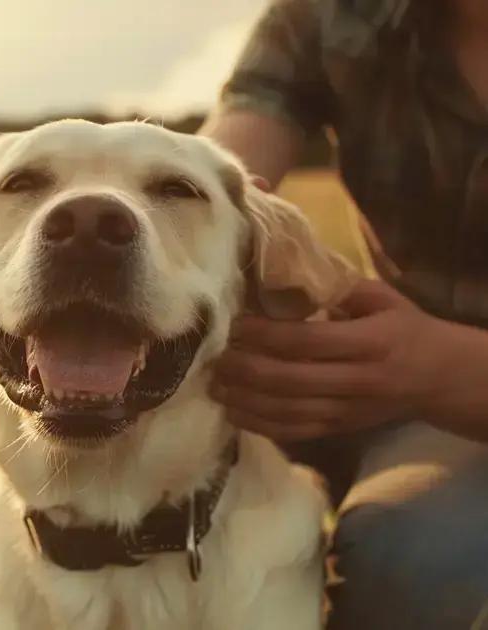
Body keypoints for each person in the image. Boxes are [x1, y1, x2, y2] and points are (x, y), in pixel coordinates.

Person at [201, 0, 488, 627]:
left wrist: (439, 369)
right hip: (386, 369)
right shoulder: (332, 14)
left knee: (414, 559)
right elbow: (217, 179)